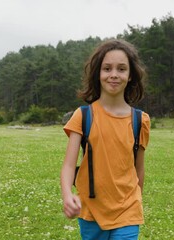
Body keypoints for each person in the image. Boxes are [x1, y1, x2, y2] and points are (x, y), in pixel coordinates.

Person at [60, 39, 150, 240]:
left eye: (121, 69)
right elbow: (68, 166)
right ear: (97, 74)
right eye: (107, 68)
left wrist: (137, 201)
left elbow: (139, 168)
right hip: (91, 210)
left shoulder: (140, 120)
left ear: (130, 76)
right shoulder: (83, 116)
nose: (114, 75)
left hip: (128, 210)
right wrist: (67, 194)